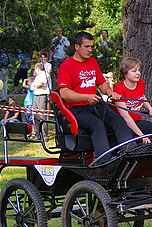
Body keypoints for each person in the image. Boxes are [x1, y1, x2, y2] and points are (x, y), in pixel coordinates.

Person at [57, 32, 137, 165]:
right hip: (76, 108)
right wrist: (86, 96)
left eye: (91, 47)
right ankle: (104, 162)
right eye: (86, 46)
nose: (90, 50)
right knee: (97, 125)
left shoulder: (92, 62)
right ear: (77, 46)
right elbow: (64, 93)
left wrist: (110, 92)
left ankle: (130, 155)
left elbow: (101, 83)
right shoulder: (66, 66)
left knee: (117, 119)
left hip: (94, 104)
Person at [113, 57, 152, 144]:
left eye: (138, 70)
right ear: (125, 73)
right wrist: (142, 135)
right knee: (132, 141)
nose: (138, 73)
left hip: (137, 120)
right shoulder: (119, 89)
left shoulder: (141, 83)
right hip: (124, 125)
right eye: (134, 71)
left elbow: (141, 97)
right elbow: (125, 117)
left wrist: (150, 109)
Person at [31, 63, 50, 141]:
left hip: (42, 95)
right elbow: (32, 87)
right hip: (36, 95)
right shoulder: (37, 77)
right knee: (36, 116)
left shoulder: (45, 75)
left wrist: (36, 86)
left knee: (42, 116)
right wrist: (35, 87)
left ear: (37, 69)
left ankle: (45, 135)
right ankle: (39, 135)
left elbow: (41, 84)